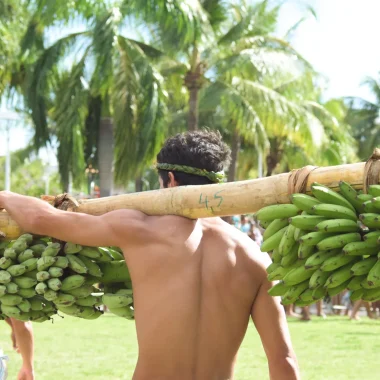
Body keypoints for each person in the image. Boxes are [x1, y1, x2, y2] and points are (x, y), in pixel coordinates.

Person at [0, 131, 300, 379]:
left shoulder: (139, 229)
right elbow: (283, 361)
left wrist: (5, 195)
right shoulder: (255, 258)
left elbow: (40, 220)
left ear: (169, 180)